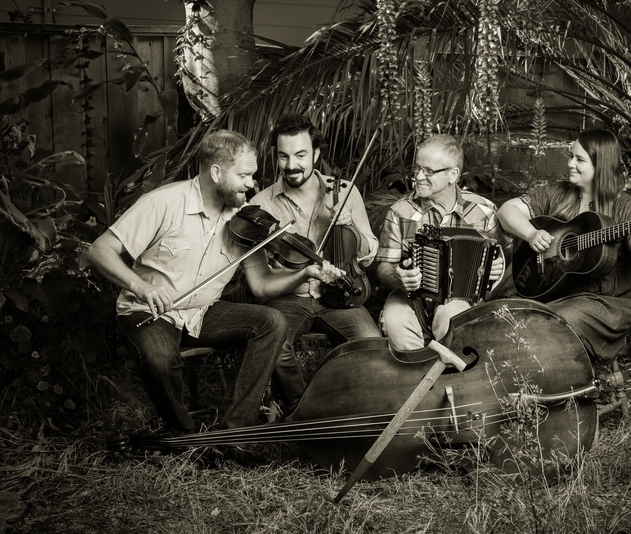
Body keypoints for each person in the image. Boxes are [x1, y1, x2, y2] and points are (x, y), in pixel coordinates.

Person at [87, 129, 344, 435]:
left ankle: (234, 432)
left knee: (272, 322)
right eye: (245, 175)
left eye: (253, 175)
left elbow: (261, 286)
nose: (252, 184)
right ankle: (187, 435)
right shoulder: (163, 202)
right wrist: (142, 287)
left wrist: (303, 273)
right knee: (160, 358)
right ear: (217, 172)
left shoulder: (246, 222)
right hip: (149, 311)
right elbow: (99, 250)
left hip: (203, 312)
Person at [247, 113, 382, 409]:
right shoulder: (261, 206)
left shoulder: (344, 192)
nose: (291, 165)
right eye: (283, 156)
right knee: (276, 343)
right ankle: (303, 408)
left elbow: (369, 255)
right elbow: (261, 276)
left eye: (300, 155)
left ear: (316, 154)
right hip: (289, 298)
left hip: (340, 294)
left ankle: (350, 406)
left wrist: (352, 228)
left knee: (371, 343)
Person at [496, 128, 631, 361]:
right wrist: (531, 233)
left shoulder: (625, 206)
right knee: (503, 315)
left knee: (552, 321)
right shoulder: (557, 192)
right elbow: (507, 210)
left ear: (601, 165)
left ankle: (557, 379)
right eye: (570, 156)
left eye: (579, 159)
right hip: (551, 287)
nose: (570, 164)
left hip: (604, 299)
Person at [376, 133, 507, 350]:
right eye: (416, 169)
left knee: (451, 316)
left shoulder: (483, 211)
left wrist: (496, 268)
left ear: (453, 174)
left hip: (461, 299)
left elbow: (502, 256)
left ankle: (450, 376)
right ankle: (414, 375)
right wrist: (396, 278)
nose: (417, 177)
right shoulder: (401, 213)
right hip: (410, 297)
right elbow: (383, 267)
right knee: (394, 320)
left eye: (428, 171)